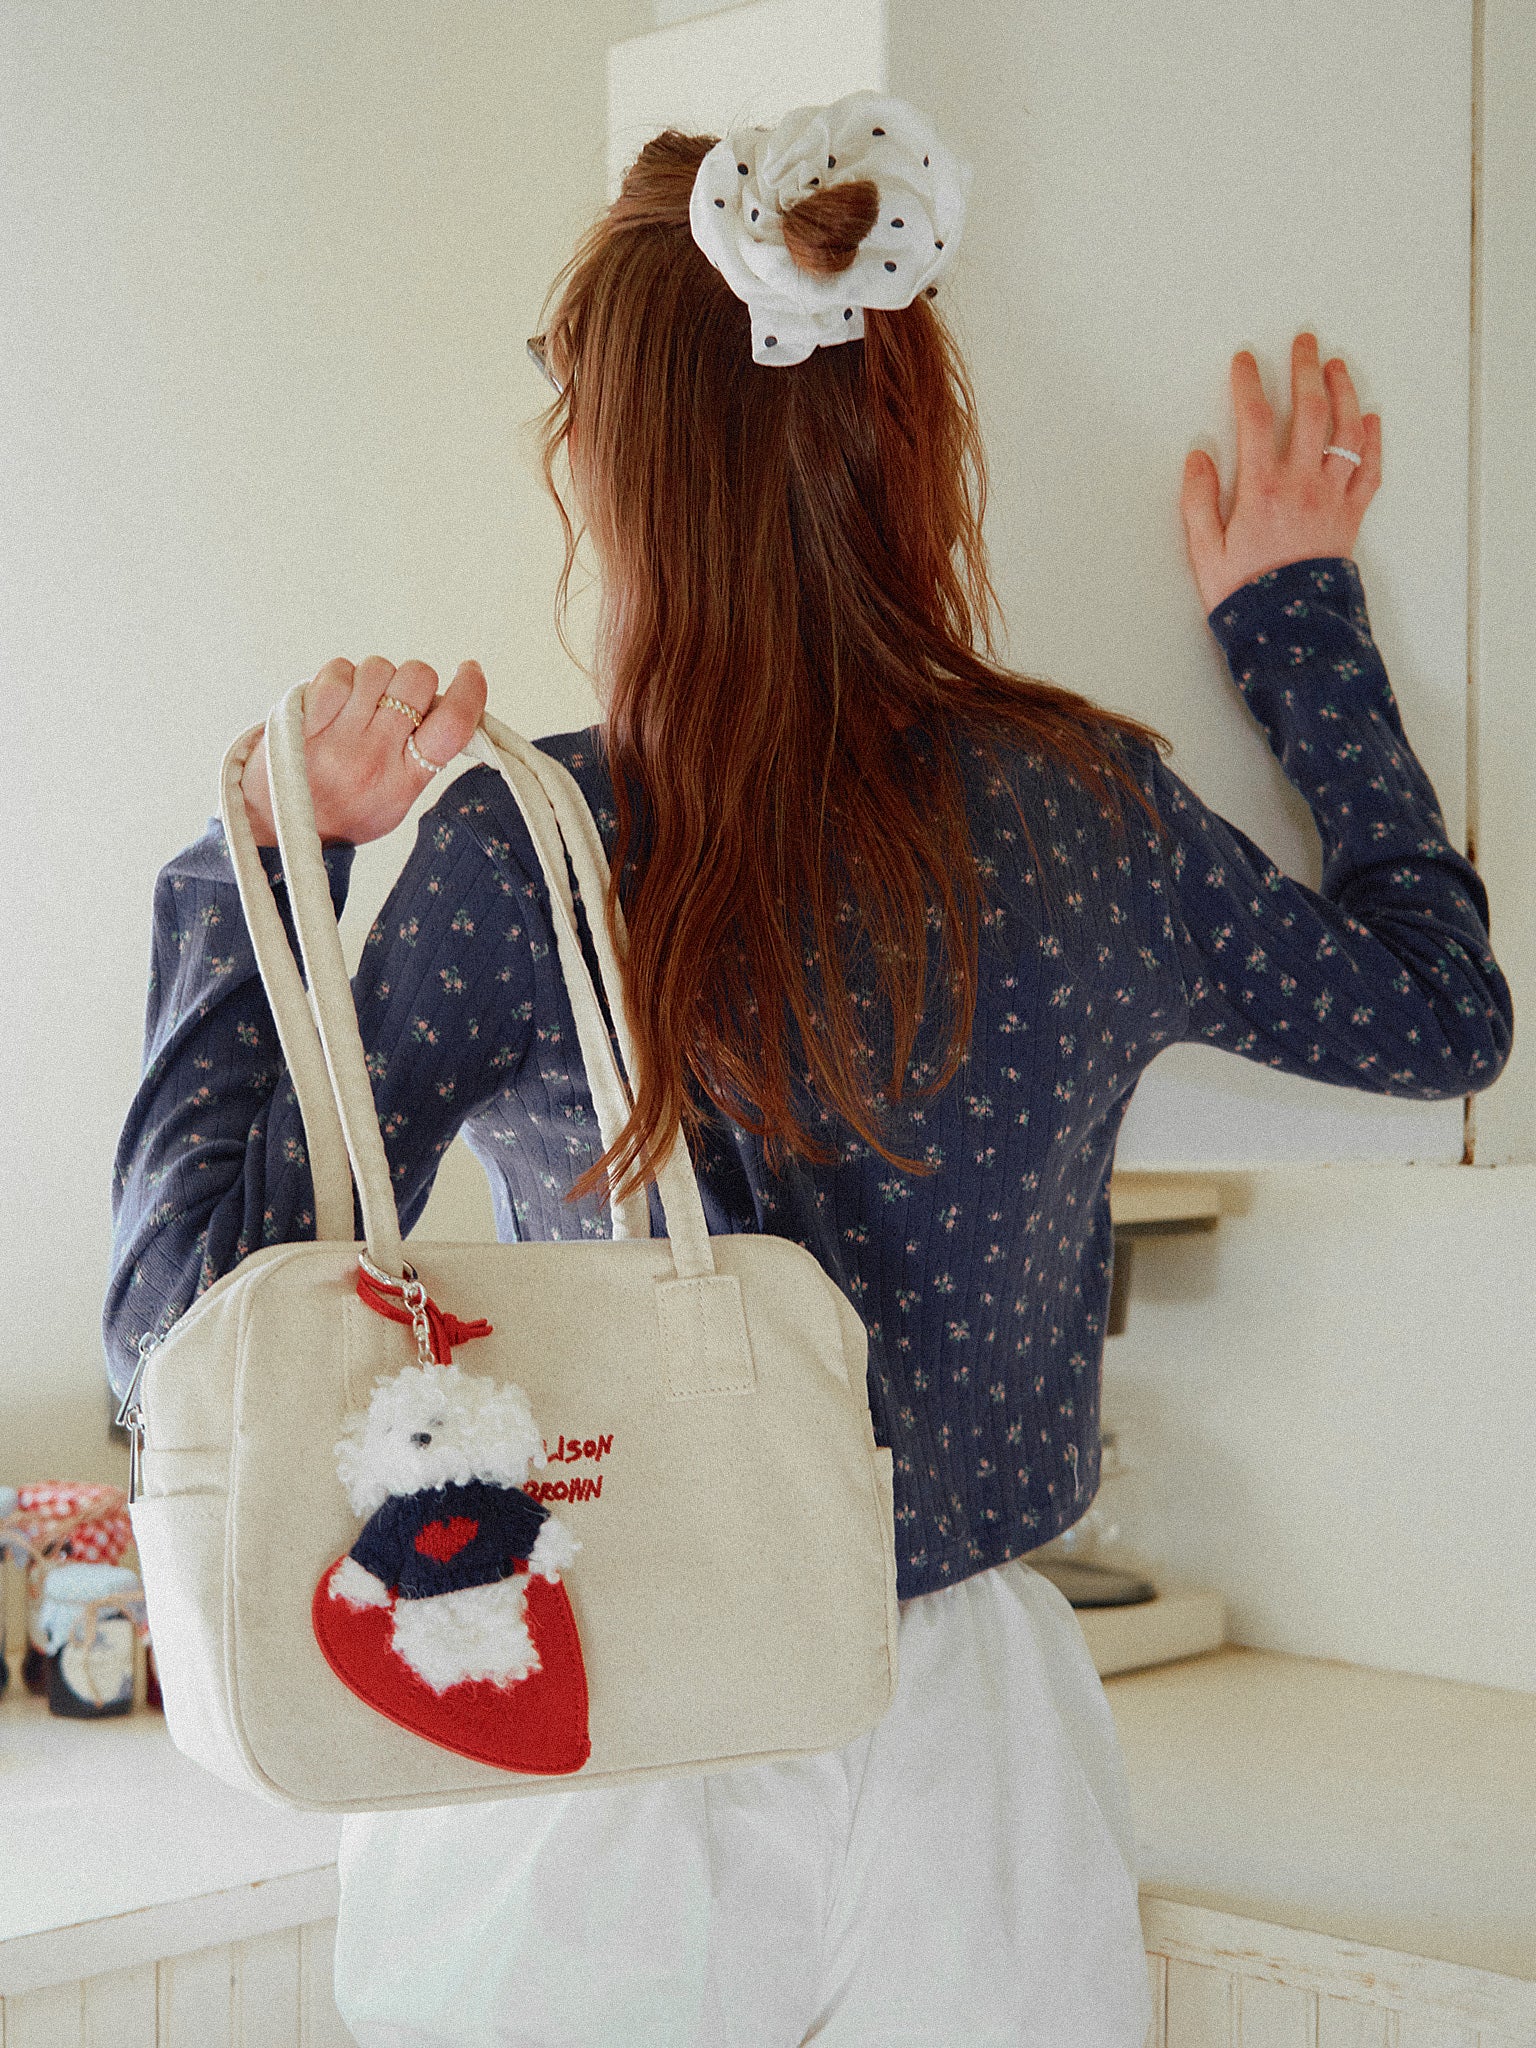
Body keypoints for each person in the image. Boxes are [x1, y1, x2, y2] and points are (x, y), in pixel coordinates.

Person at [106, 89, 1512, 2048]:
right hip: (979, 1754)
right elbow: (1443, 1018)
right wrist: (1297, 630)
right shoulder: (1085, 816)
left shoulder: (531, 856)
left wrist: (249, 867)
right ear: (907, 437)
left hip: (593, 1717)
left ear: (602, 471)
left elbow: (178, 1339)